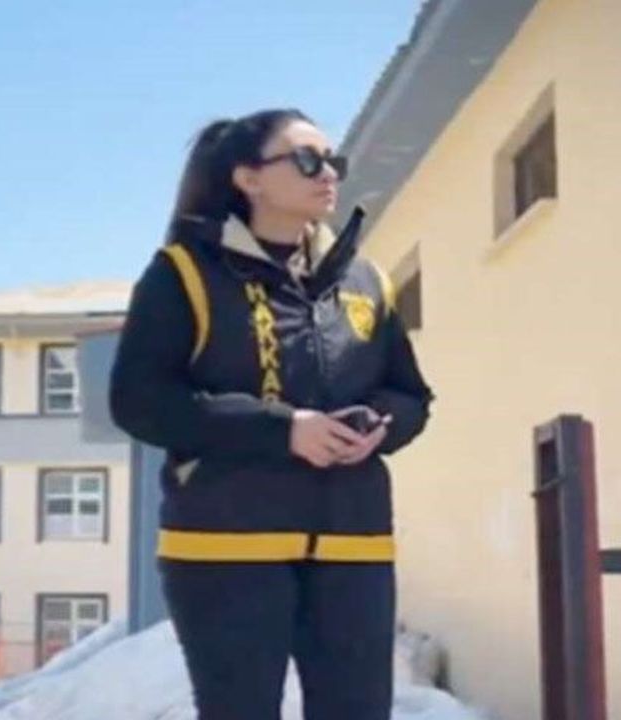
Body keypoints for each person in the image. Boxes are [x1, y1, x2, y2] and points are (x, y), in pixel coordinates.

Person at [110, 109, 434, 720]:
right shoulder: (183, 273)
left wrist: (380, 425)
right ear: (248, 178)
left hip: (353, 543)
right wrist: (283, 431)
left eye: (332, 161)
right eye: (307, 160)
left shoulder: (366, 280)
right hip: (224, 545)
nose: (328, 173)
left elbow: (412, 395)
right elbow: (140, 401)